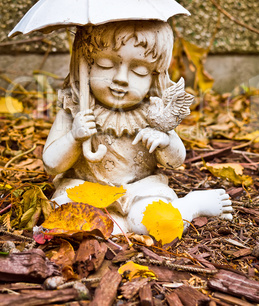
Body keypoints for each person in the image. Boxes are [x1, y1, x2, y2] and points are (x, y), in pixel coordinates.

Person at [43, 20, 232, 235]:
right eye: (105, 65)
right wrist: (73, 137)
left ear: (155, 76)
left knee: (157, 222)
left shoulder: (154, 111)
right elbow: (52, 164)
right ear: (86, 64)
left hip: (141, 190)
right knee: (64, 218)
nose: (121, 79)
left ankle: (190, 206)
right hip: (85, 189)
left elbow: (176, 159)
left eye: (140, 71)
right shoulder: (75, 109)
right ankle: (122, 226)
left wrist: (165, 142)